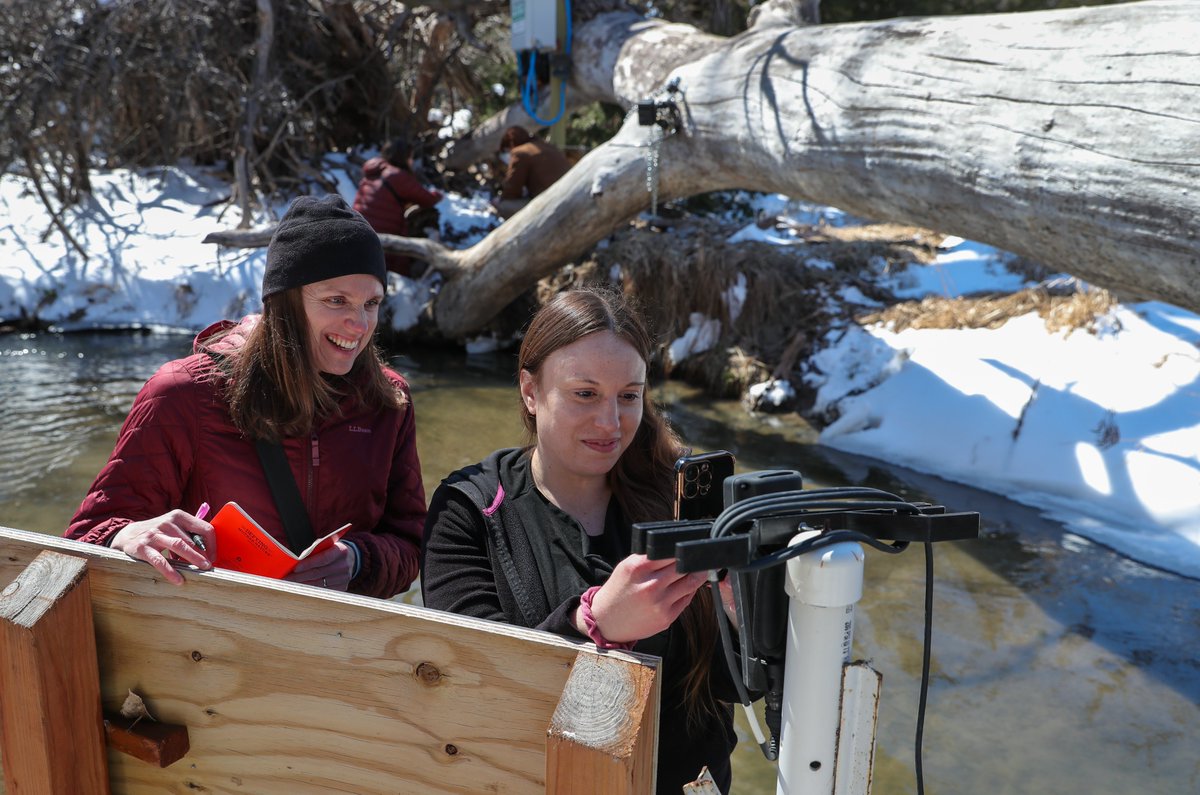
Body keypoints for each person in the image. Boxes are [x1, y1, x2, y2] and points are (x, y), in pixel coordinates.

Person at [421, 286, 739, 794]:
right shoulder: (470, 508)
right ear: (530, 389)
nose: (611, 423)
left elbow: (728, 685)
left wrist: (747, 614)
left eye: (628, 396)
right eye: (585, 394)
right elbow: (464, 691)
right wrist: (595, 626)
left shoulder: (678, 496)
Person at [66, 194, 426, 599]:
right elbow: (84, 538)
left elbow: (410, 542)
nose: (359, 324)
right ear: (284, 300)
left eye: (371, 303)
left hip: (337, 648)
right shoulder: (183, 394)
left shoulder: (390, 400)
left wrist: (356, 559)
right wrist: (128, 534)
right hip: (211, 644)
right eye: (336, 300)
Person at [352, 138, 443, 277]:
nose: (412, 161)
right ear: (404, 157)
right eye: (411, 157)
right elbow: (427, 199)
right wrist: (438, 194)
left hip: (355, 238)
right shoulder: (397, 176)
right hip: (382, 247)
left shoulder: (374, 171)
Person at [491, 125, 571, 219]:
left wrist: (500, 199)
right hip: (568, 195)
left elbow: (512, 190)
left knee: (503, 205)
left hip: (551, 203)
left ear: (511, 144)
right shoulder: (548, 146)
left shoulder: (520, 153)